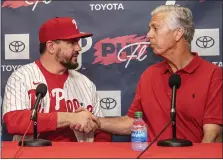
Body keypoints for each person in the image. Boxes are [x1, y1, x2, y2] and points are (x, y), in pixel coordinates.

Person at [73, 4, 222, 143]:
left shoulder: (213, 75)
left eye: (155, 28)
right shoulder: (150, 74)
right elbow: (132, 122)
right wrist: (96, 121)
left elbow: (212, 135)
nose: (149, 35)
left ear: (178, 33)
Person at [2, 17, 111, 142]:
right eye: (72, 42)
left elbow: (101, 130)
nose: (78, 48)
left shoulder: (85, 83)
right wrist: (70, 118)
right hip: (34, 155)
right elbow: (14, 121)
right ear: (51, 47)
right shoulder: (21, 77)